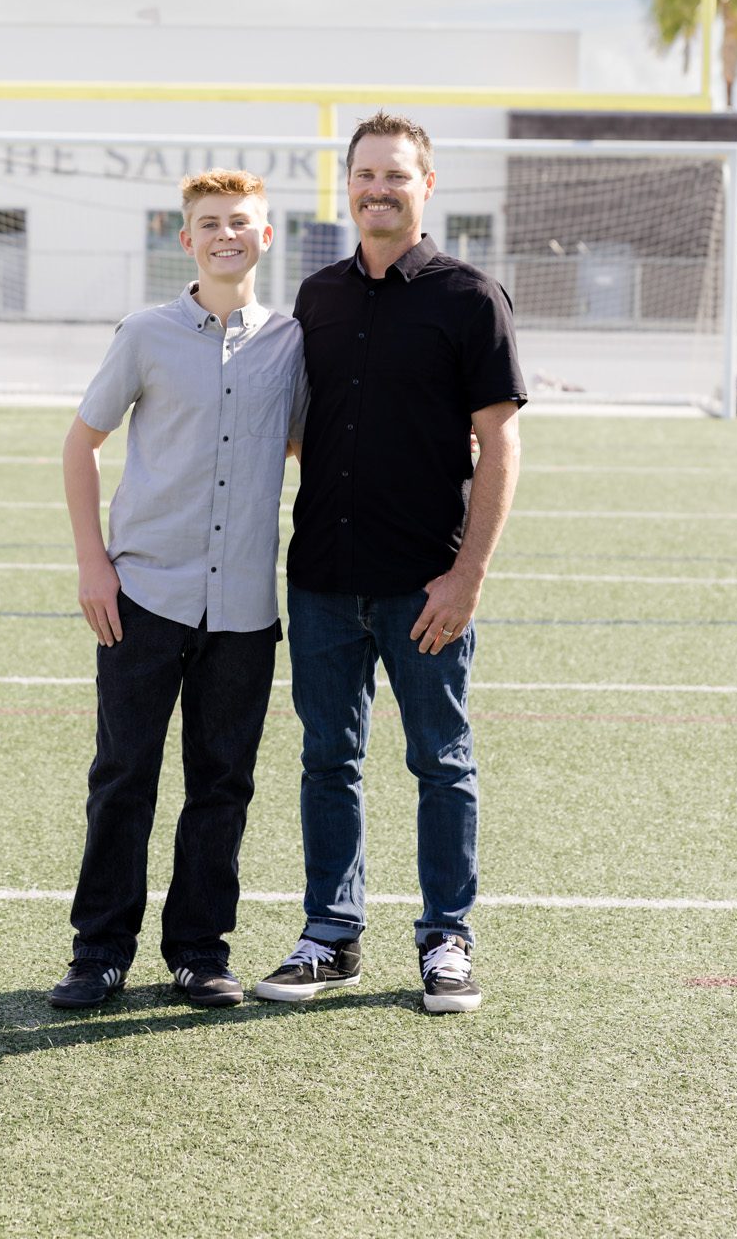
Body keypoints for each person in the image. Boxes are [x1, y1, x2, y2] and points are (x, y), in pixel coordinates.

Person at [255, 111, 525, 1015]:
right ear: (348, 185)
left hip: (426, 585)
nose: (378, 189)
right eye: (365, 175)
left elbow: (502, 446)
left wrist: (467, 576)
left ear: (426, 186)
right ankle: (330, 936)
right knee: (327, 761)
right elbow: (297, 424)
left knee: (440, 762)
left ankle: (446, 937)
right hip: (324, 578)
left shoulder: (469, 297)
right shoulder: (316, 295)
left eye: (396, 176)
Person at [50, 168, 307, 1012]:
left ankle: (199, 951)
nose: (226, 233)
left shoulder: (293, 343)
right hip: (144, 596)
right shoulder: (146, 333)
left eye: (241, 221)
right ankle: (99, 953)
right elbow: (81, 444)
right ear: (185, 238)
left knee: (222, 782)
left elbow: (315, 448)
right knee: (123, 775)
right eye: (209, 222)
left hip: (243, 610)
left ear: (265, 237)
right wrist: (95, 566)